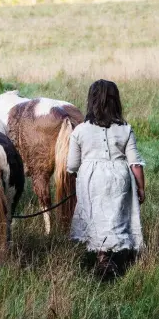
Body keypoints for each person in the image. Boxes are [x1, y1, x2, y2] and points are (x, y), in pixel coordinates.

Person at [67, 79, 145, 278]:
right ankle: (117, 257)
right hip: (120, 176)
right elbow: (135, 163)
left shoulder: (80, 131)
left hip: (91, 178)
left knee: (96, 216)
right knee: (118, 215)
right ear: (115, 101)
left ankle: (102, 258)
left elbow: (72, 166)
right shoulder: (125, 128)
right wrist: (141, 188)